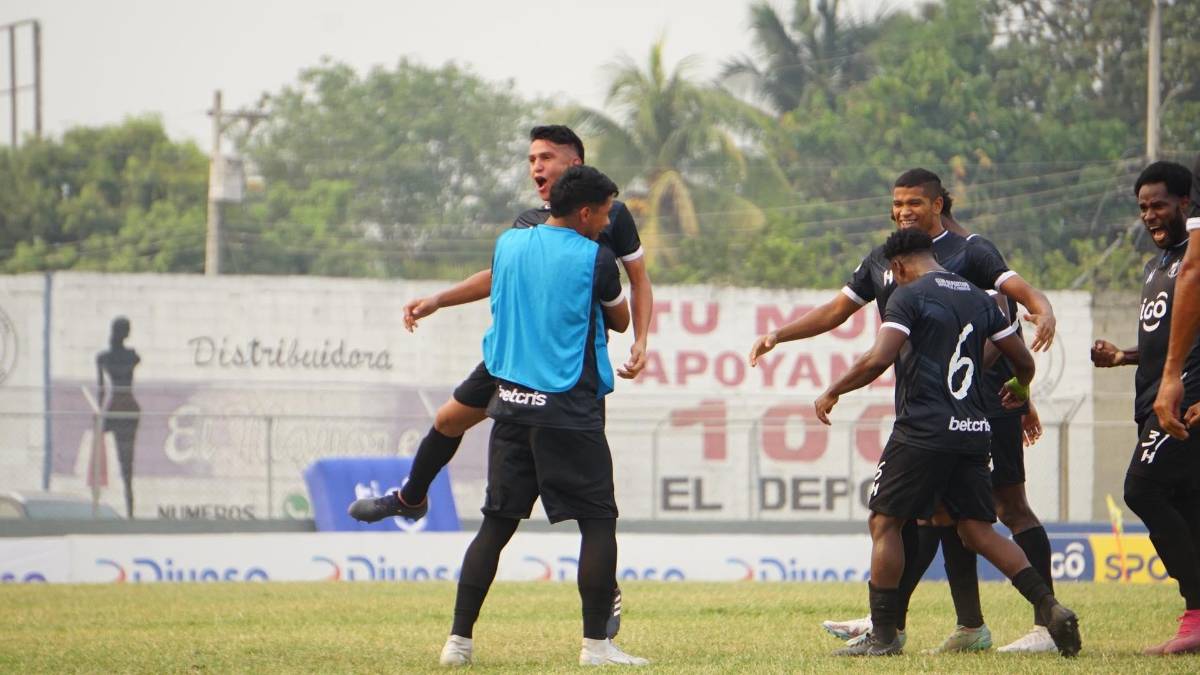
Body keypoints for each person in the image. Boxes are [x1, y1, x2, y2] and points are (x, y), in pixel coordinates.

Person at [349, 125, 646, 638]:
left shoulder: (608, 214)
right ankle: (412, 498)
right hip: (513, 358)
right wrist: (440, 298)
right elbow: (498, 276)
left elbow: (637, 281)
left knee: (544, 512)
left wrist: (643, 339)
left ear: (574, 164)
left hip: (560, 362)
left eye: (546, 158)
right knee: (447, 420)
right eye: (531, 158)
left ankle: (600, 592)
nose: (536, 167)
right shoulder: (526, 227)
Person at [748, 168, 1057, 650]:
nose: (904, 210)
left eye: (914, 202)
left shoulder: (970, 252)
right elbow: (836, 310)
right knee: (943, 518)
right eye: (898, 203)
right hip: (952, 410)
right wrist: (779, 334)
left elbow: (1015, 307)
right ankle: (961, 626)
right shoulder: (884, 258)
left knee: (999, 508)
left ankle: (1036, 624)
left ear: (939, 205)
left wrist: (1042, 322)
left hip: (982, 403)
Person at [815, 227, 1080, 657]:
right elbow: (1024, 360)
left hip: (922, 430)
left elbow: (880, 357)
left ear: (898, 266)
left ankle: (883, 634)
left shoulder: (909, 294)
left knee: (885, 523)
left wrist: (833, 390)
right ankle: (1049, 607)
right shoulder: (980, 298)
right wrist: (1020, 387)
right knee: (977, 529)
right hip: (973, 432)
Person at [436, 165, 647, 668]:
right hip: (569, 409)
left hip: (509, 405)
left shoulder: (509, 244)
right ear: (583, 212)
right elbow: (619, 318)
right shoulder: (595, 257)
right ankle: (596, 646)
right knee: (598, 523)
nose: (607, 223)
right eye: (604, 213)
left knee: (495, 525)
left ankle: (458, 643)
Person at [1094, 161, 1200, 654]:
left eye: (1159, 204)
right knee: (1184, 504)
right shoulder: (1156, 266)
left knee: (1142, 487)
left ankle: (1196, 609)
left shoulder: (1197, 256)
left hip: (1186, 398)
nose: (1150, 216)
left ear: (1186, 202)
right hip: (1152, 401)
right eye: (1142, 208)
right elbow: (1167, 341)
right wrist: (1123, 356)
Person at [96, 316, 141, 519]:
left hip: (121, 407)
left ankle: (130, 506)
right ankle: (126, 504)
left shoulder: (109, 357)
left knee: (126, 459)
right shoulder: (115, 357)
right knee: (123, 459)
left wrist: (100, 412)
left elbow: (101, 391)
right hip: (123, 407)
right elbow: (101, 391)